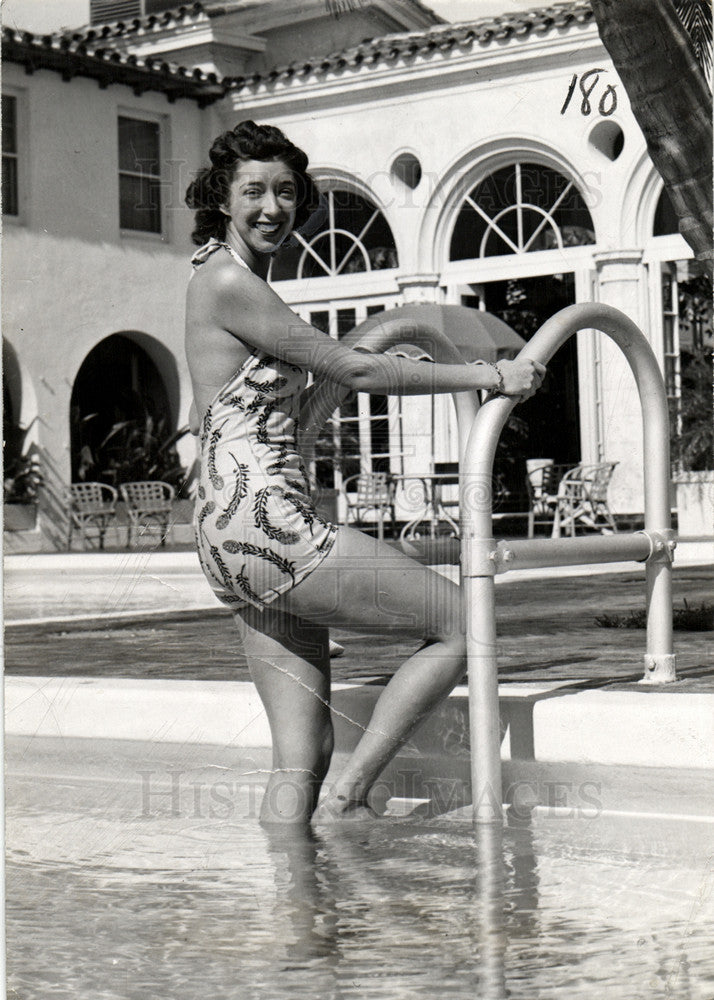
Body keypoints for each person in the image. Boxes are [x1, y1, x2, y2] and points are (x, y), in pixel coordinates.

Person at [185, 121, 545, 825]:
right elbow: (350, 366)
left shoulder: (215, 276)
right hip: (273, 528)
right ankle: (353, 801)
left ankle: (299, 919)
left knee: (301, 755)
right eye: (253, 190)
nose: (271, 207)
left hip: (225, 538)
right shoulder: (231, 281)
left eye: (286, 193)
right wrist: (490, 373)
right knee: (463, 623)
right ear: (222, 199)